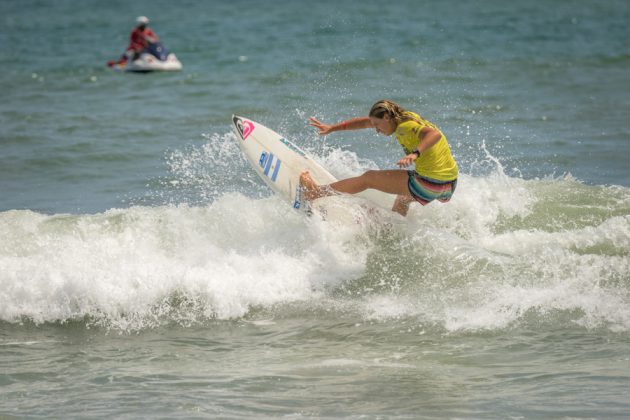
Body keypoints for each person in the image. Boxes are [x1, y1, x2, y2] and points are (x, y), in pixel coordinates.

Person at [300, 99, 458, 216]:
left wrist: (415, 153)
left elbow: (434, 135)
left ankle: (316, 193)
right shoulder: (403, 117)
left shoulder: (405, 127)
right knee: (403, 199)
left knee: (369, 178)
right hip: (448, 185)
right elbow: (364, 123)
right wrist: (333, 128)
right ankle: (394, 233)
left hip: (429, 183)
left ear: (387, 118)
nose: (376, 130)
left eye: (377, 125)